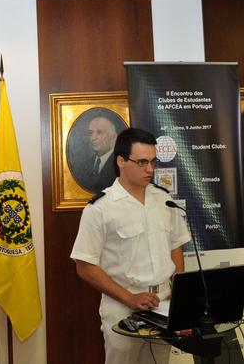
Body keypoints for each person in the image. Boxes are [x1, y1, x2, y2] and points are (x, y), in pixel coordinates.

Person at [70, 128, 191, 364]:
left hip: (163, 305)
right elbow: (84, 266)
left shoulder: (164, 200)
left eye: (153, 162)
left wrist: (179, 296)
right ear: (121, 161)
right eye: (142, 162)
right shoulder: (100, 208)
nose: (150, 169)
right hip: (122, 309)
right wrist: (129, 298)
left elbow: (176, 246)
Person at [86, 116, 118, 192]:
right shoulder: (87, 163)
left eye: (99, 132)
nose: (93, 138)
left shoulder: (121, 164)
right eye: (90, 133)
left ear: (113, 137)